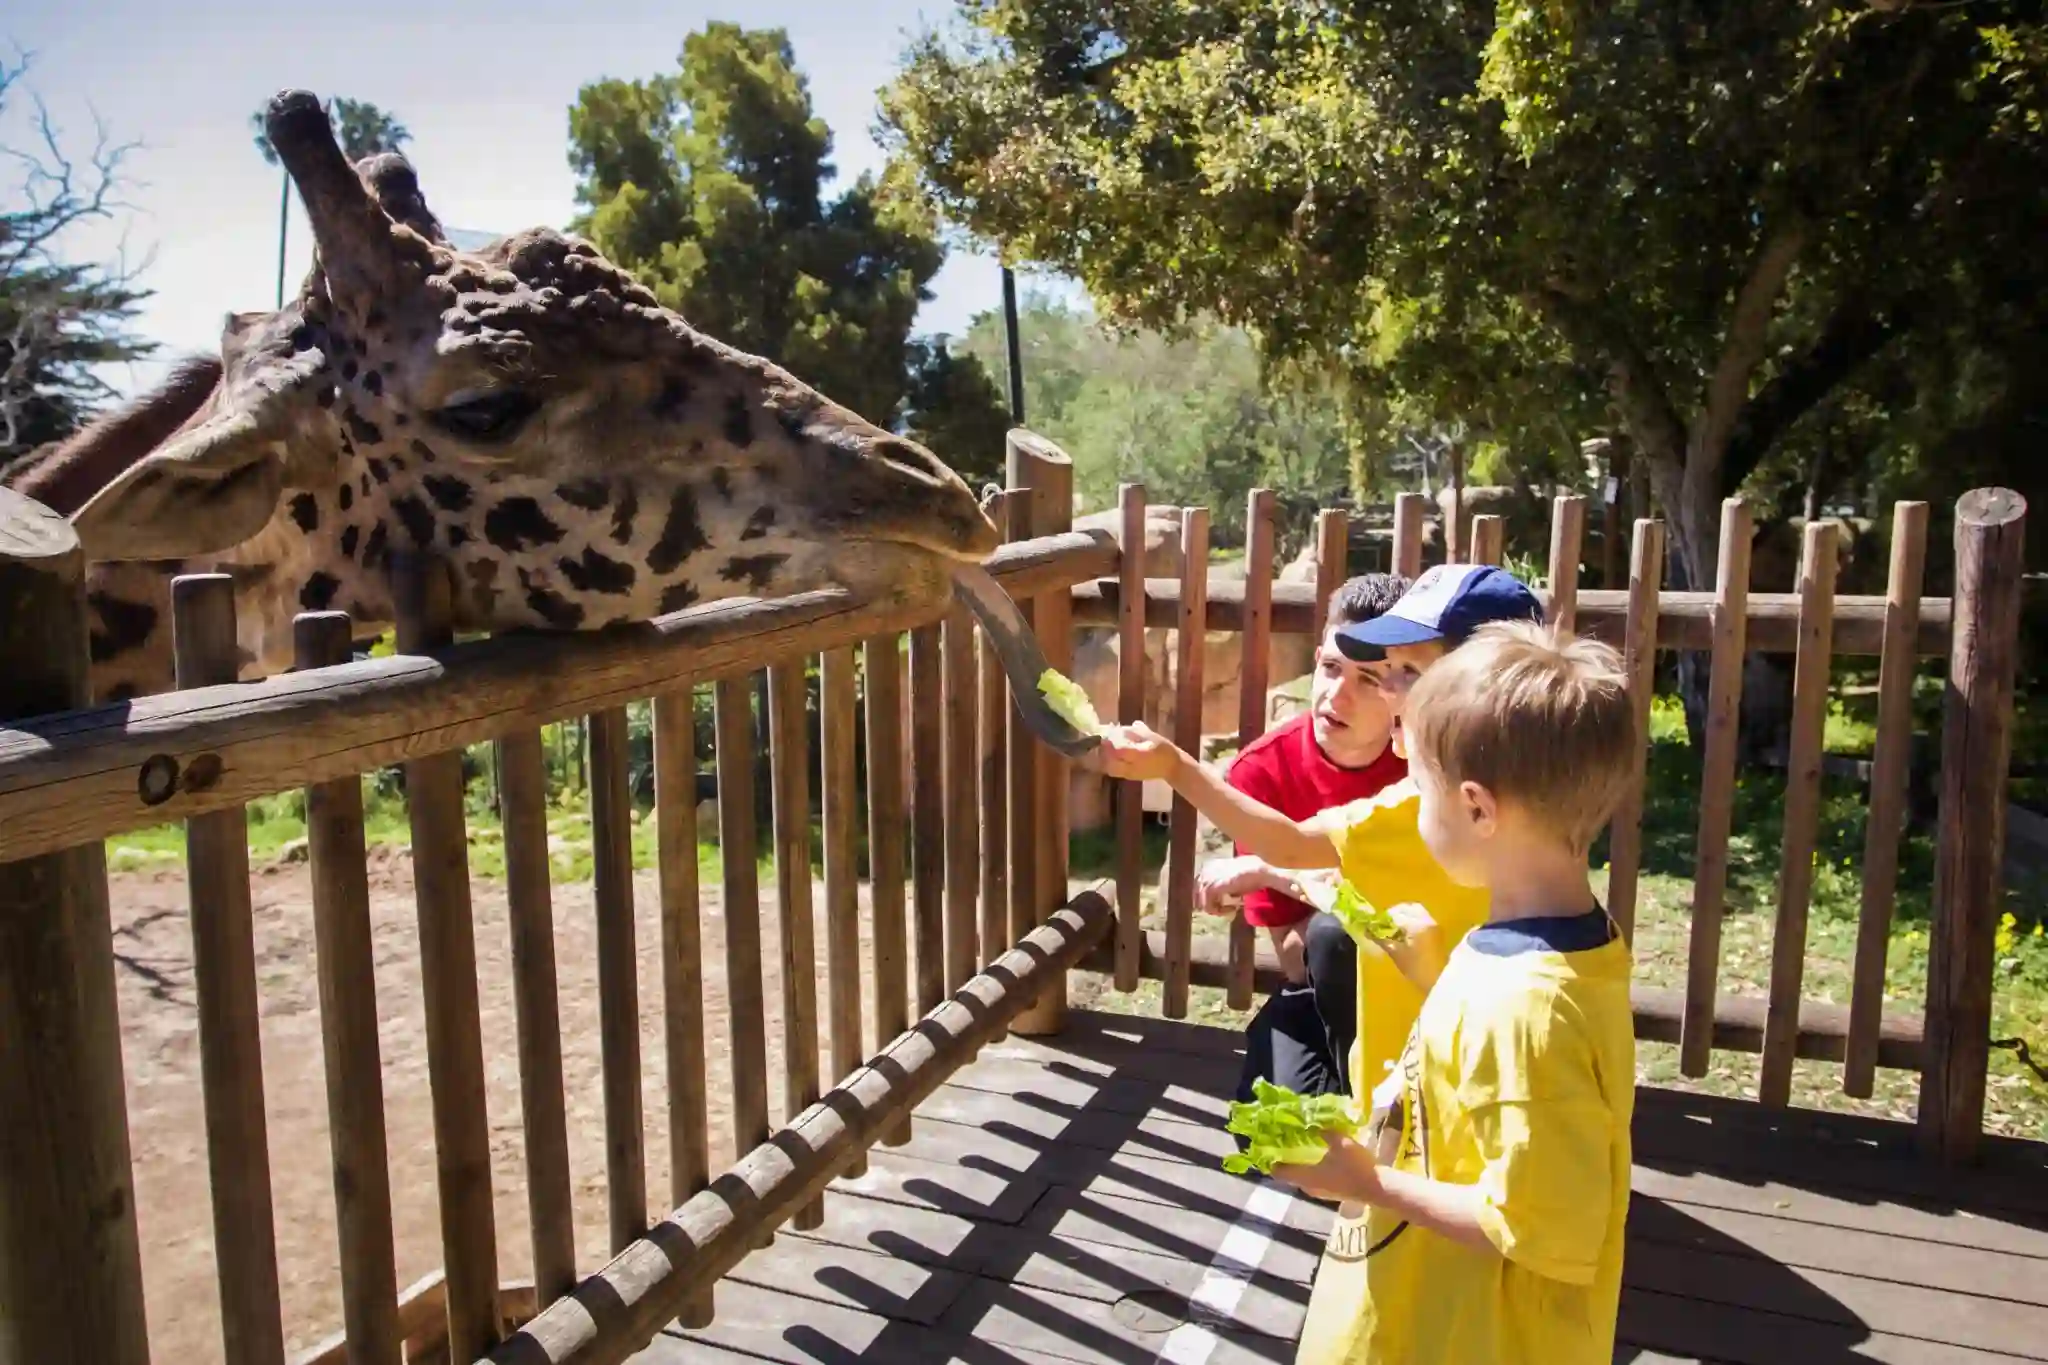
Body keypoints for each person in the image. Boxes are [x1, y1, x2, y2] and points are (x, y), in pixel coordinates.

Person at [1273, 620, 1638, 1365]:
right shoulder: (1545, 939)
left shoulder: (1529, 1006)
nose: (1410, 803)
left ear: (1477, 807)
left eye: (1418, 790)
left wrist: (1367, 1180)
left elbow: (1544, 1229)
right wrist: (1430, 977)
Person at [1095, 563, 1547, 1102]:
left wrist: (1260, 860)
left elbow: (1293, 851)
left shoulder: (1444, 800)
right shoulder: (1409, 801)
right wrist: (1177, 770)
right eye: (1342, 667)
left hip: (1500, 1036)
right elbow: (1294, 851)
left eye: (1403, 674)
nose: (1386, 692)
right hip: (1422, 1023)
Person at [1197, 572, 1410, 1104]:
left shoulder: (1429, 762)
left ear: (1404, 688)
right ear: (1315, 658)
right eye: (1332, 668)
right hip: (1328, 992)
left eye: (1368, 679)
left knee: (1337, 934)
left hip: (1428, 989)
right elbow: (1296, 954)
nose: (1338, 695)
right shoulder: (1261, 773)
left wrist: (1273, 873)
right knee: (1276, 1137)